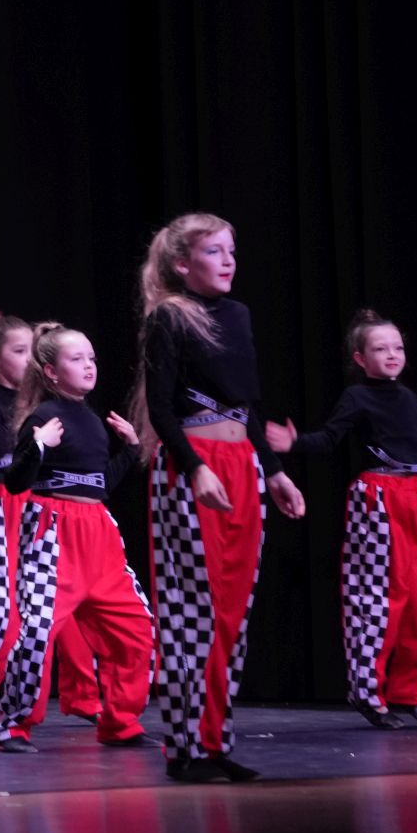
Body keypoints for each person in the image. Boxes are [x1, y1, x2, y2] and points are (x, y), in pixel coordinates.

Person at [270, 308, 417, 729]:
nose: (392, 355)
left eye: (397, 347)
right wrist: (294, 443)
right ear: (361, 358)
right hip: (376, 496)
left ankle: (412, 693)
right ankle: (368, 693)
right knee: (378, 598)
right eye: (381, 349)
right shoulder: (357, 397)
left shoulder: (409, 398)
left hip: (414, 495)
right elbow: (329, 438)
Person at [133, 214, 304, 783]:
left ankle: (215, 741)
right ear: (183, 265)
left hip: (242, 464)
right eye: (214, 251)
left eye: (231, 250)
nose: (228, 260)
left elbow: (246, 405)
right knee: (192, 612)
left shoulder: (238, 315)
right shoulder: (169, 317)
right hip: (193, 465)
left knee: (233, 612)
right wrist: (195, 466)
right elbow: (161, 408)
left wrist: (274, 471)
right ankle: (185, 748)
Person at [0, 325, 156, 753]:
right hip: (54, 533)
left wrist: (130, 451)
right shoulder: (44, 418)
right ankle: (12, 726)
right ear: (51, 371)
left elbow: (99, 486)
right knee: (38, 632)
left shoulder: (93, 422)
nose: (89, 366)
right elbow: (15, 481)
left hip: (98, 533)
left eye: (92, 358)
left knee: (136, 628)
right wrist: (38, 446)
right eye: (77, 359)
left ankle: (120, 722)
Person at [0, 309, 103, 727]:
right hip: (7, 505)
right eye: (19, 351)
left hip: (49, 506)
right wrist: (38, 439)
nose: (29, 358)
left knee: (67, 602)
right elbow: (1, 446)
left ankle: (84, 696)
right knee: (3, 608)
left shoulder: (50, 405)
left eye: (33, 351)